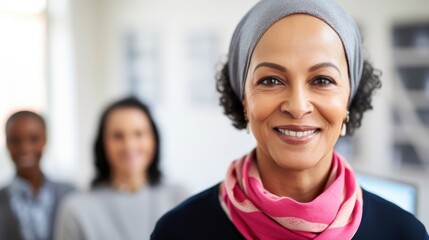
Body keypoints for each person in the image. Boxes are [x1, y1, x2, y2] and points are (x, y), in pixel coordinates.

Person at [151, 0, 429, 239]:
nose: (297, 106)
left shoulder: (404, 234)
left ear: (349, 99)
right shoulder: (179, 232)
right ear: (243, 99)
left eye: (322, 80)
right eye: (271, 80)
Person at [55, 97, 187, 240]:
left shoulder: (179, 199)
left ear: (154, 139)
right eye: (118, 136)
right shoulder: (76, 209)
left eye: (139, 134)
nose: (129, 146)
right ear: (103, 144)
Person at [0, 111, 75, 240]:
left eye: (34, 139)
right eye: (15, 140)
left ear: (45, 139)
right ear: (6, 143)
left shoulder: (71, 195)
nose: (25, 148)